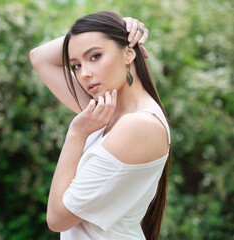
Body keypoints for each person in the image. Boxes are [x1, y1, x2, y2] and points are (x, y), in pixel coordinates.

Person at [29, 11, 171, 240]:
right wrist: (118, 26)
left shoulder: (137, 125)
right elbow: (39, 57)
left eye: (95, 56)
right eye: (75, 65)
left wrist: (76, 134)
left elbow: (57, 219)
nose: (84, 74)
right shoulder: (106, 112)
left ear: (128, 53)